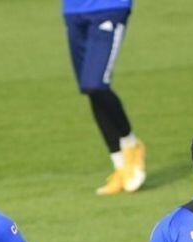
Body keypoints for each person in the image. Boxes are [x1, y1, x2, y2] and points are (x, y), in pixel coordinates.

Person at [62, 0, 145, 195]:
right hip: (73, 10)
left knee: (95, 83)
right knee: (90, 89)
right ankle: (120, 166)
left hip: (109, 8)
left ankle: (132, 145)